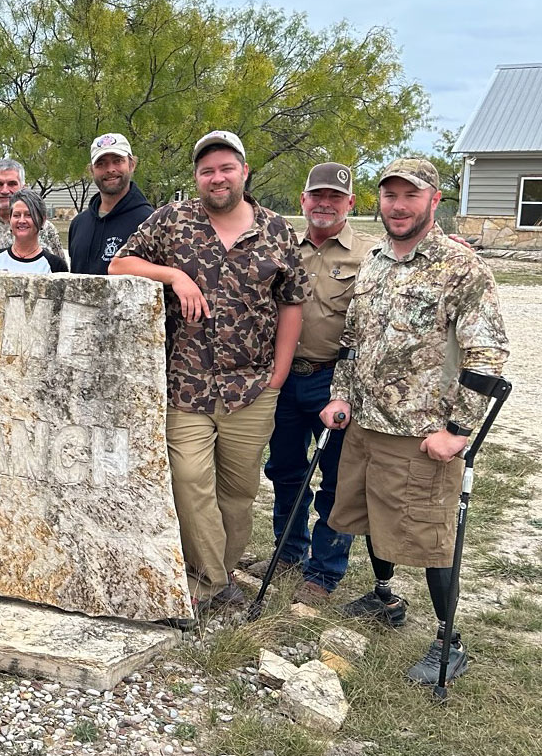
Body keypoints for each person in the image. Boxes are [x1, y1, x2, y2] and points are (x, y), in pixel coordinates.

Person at [320, 157, 508, 686]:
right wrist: (340, 396)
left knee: (428, 535)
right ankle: (384, 597)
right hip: (366, 424)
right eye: (390, 195)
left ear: (434, 201)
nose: (398, 206)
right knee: (372, 520)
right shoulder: (375, 262)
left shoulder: (461, 267)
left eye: (411, 196)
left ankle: (451, 640)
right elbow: (353, 341)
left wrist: (458, 431)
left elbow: (488, 355)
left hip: (423, 434)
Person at [109, 130, 309, 614]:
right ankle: (213, 581)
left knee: (237, 494)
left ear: (244, 171)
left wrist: (279, 375)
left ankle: (215, 573)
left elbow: (292, 302)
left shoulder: (277, 230)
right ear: (196, 177)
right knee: (189, 480)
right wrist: (174, 275)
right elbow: (120, 265)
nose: (216, 178)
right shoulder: (173, 220)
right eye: (206, 170)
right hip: (186, 384)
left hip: (252, 388)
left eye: (225, 168)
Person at [256, 162, 376, 603]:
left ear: (350, 203)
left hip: (336, 379)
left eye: (335, 197)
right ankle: (288, 552)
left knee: (336, 480)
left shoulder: (371, 254)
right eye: (317, 196)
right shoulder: (281, 244)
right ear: (303, 199)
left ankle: (323, 573)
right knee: (285, 470)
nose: (325, 204)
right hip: (285, 374)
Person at [68, 133, 154, 275]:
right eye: (101, 164)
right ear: (91, 170)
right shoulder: (78, 223)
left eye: (117, 161)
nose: (110, 169)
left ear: (132, 164)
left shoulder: (149, 221)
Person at [0, 159, 63, 262]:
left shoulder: (47, 230)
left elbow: (61, 274)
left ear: (23, 188)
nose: (5, 191)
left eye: (12, 184)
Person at [0, 189, 68, 273]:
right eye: (16, 215)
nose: (22, 221)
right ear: (10, 219)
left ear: (43, 220)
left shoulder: (56, 266)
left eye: (29, 215)